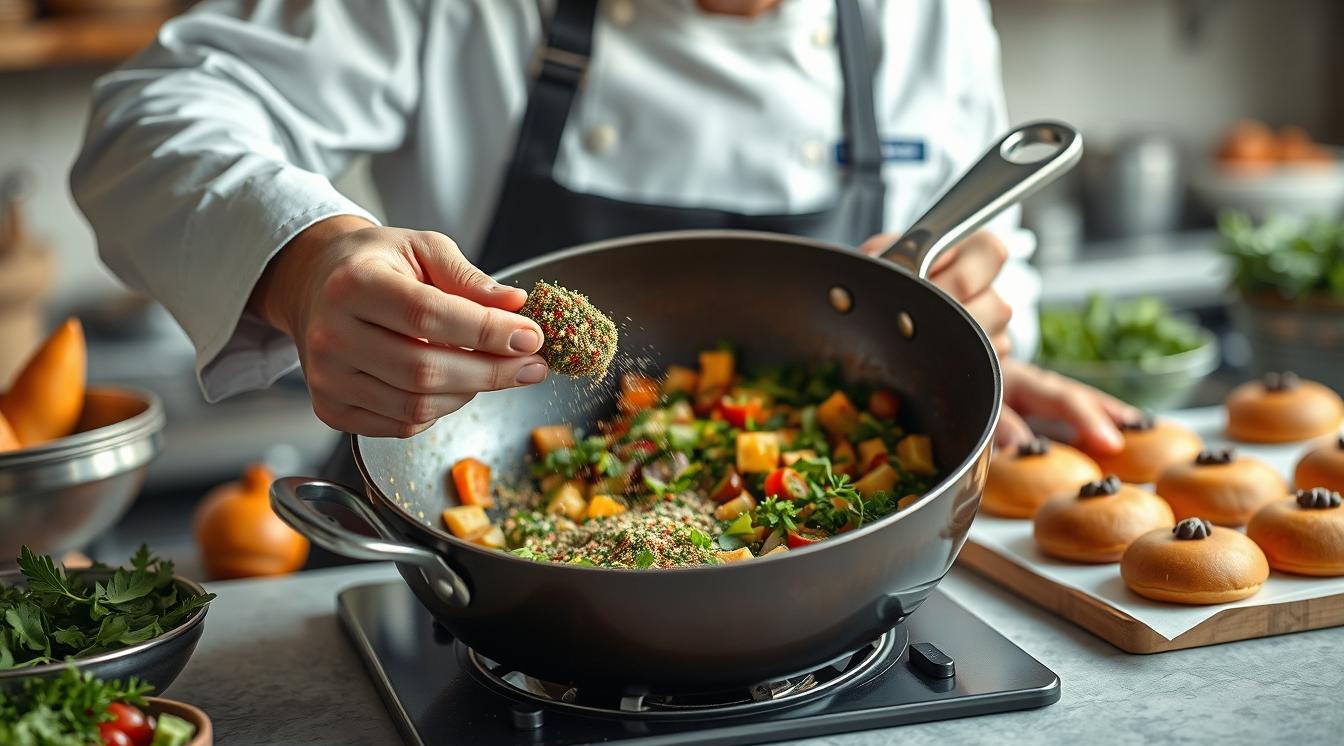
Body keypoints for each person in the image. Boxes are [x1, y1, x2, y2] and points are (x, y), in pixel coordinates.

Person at [72, 0, 1137, 459]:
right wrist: (307, 265)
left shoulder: (922, 15)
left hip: (830, 568)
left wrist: (980, 339)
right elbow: (147, 120)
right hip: (468, 559)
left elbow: (986, 256)